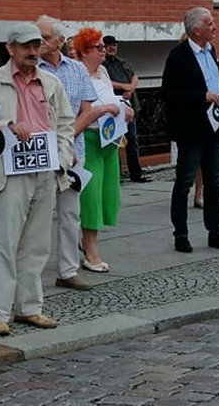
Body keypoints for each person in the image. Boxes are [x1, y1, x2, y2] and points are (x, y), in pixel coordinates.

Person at [0, 22, 74, 337]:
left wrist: (63, 156)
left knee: (37, 244)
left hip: (45, 169)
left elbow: (65, 123)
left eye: (36, 45)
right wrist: (7, 124)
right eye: (26, 46)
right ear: (10, 48)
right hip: (10, 172)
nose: (33, 51)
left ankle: (30, 308)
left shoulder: (51, 82)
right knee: (7, 243)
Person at [37, 16, 103, 290]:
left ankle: (67, 270)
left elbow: (86, 112)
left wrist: (65, 140)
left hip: (73, 152)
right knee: (36, 215)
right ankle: (29, 273)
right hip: (41, 151)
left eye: (44, 38)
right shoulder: (32, 69)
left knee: (70, 213)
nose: (38, 43)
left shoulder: (76, 69)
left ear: (60, 42)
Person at [161, 7, 219, 254]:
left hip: (212, 125)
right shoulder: (178, 56)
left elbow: (214, 82)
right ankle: (180, 232)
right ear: (196, 30)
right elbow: (169, 93)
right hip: (190, 127)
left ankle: (215, 229)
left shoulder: (211, 51)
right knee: (185, 181)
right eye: (210, 23)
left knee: (213, 179)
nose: (214, 27)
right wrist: (200, 96)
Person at [73, 27, 133, 272]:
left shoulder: (104, 72)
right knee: (91, 196)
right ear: (84, 51)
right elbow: (82, 109)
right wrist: (105, 109)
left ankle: (90, 242)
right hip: (89, 138)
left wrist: (124, 106)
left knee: (108, 193)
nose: (104, 51)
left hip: (109, 139)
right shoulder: (78, 74)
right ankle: (90, 248)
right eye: (98, 47)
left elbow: (112, 99)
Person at [103, 35, 149, 183]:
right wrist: (124, 86)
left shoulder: (122, 62)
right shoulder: (102, 66)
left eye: (114, 45)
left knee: (133, 141)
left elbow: (135, 76)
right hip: (113, 109)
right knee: (113, 142)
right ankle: (115, 175)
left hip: (129, 107)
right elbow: (105, 82)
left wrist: (131, 87)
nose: (112, 47)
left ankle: (136, 173)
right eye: (109, 45)